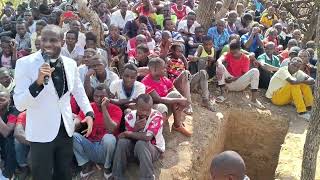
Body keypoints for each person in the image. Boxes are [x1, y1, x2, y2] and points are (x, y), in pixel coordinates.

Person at [13, 25, 94, 180]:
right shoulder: (25, 63)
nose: (47, 44)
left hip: (65, 131)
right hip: (40, 134)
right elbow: (19, 104)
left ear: (62, 42)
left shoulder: (70, 64)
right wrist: (37, 84)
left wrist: (89, 112)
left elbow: (78, 90)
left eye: (53, 40)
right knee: (42, 176)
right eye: (44, 39)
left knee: (64, 174)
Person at [73, 84, 122, 179]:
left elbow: (111, 129)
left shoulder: (116, 109)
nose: (99, 99)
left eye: (102, 96)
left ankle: (107, 167)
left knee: (109, 138)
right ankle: (86, 165)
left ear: (109, 96)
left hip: (107, 149)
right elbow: (78, 120)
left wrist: (104, 108)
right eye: (96, 96)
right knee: (73, 136)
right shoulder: (89, 107)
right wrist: (74, 123)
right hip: (91, 146)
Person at [112, 94, 164, 179]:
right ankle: (117, 176)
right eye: (142, 109)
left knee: (141, 143)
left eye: (148, 110)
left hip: (153, 150)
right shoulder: (130, 116)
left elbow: (148, 137)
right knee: (122, 142)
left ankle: (148, 177)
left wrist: (127, 133)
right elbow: (126, 138)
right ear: (135, 106)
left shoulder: (156, 116)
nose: (145, 113)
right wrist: (135, 129)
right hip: (135, 151)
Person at [142, 58, 191, 136]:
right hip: (153, 111)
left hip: (165, 107)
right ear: (154, 70)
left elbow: (174, 90)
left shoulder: (163, 79)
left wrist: (182, 99)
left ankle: (177, 125)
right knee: (166, 104)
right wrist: (179, 99)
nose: (165, 69)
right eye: (163, 68)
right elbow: (158, 99)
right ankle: (155, 132)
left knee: (176, 96)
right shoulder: (146, 82)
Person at [166, 44, 216, 113]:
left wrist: (183, 57)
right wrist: (167, 57)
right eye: (178, 51)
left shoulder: (181, 60)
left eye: (181, 52)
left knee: (203, 72)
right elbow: (162, 58)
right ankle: (188, 104)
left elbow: (186, 65)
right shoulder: (168, 60)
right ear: (172, 51)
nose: (180, 53)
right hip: (176, 84)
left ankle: (205, 100)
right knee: (186, 73)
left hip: (187, 83)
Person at [216, 40, 264, 108]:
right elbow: (219, 60)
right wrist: (220, 65)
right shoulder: (228, 54)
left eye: (235, 52)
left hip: (240, 83)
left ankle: (254, 100)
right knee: (219, 65)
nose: (233, 55)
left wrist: (233, 79)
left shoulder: (245, 58)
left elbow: (244, 74)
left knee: (255, 71)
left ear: (239, 50)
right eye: (232, 53)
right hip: (227, 84)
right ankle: (223, 94)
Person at [0, 88, 20, 180]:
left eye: (2, 100)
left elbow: (6, 132)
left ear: (9, 100)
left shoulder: (14, 111)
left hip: (11, 141)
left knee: (9, 141)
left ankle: (8, 174)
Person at [14, 111, 30, 180]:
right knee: (17, 141)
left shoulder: (13, 113)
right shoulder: (24, 114)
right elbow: (18, 133)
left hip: (46, 142)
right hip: (29, 141)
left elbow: (6, 131)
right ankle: (24, 167)